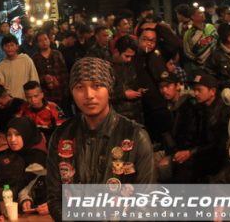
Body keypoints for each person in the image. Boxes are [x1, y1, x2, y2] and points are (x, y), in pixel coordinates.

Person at [46, 57, 155, 221]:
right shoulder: (61, 135)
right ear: (72, 91)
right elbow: (54, 197)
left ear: (109, 89)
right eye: (80, 87)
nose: (89, 95)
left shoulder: (135, 136)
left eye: (97, 85)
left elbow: (145, 201)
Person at [0, 117, 48, 216]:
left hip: (37, 207)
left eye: (18, 134)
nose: (12, 139)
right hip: (10, 201)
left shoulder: (38, 157)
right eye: (9, 135)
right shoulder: (10, 153)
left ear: (27, 134)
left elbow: (24, 185)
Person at [0, 34, 39, 100]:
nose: (9, 48)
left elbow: (34, 79)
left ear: (17, 46)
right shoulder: (0, 68)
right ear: (2, 48)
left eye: (12, 45)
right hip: (10, 102)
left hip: (27, 100)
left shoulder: (26, 60)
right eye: (6, 46)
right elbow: (0, 89)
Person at [31, 32, 69, 110]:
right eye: (40, 40)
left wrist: (66, 90)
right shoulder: (35, 58)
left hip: (60, 93)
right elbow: (34, 76)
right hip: (45, 95)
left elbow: (64, 72)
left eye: (45, 39)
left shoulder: (57, 54)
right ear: (37, 43)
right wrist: (44, 79)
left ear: (49, 40)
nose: (44, 42)